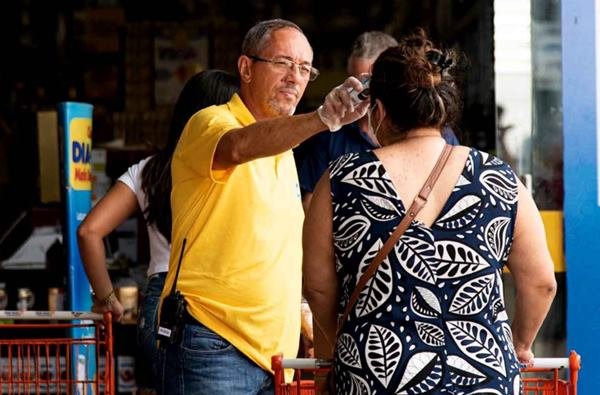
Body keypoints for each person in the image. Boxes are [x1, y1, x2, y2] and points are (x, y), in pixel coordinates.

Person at [302, 29, 556, 394]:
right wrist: (519, 345)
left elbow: (317, 287)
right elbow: (541, 283)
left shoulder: (342, 178)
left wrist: (332, 351)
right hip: (484, 377)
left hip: (374, 376)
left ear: (381, 110)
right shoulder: (499, 177)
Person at [157, 19, 368, 395]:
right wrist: (322, 119)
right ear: (246, 68)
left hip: (275, 355)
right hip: (213, 339)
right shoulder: (209, 122)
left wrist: (307, 327)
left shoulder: (285, 152)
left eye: (305, 69)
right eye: (283, 62)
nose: (295, 77)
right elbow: (237, 147)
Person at [77, 69, 240, 394]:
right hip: (214, 303)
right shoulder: (237, 171)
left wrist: (107, 299)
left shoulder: (148, 170)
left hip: (159, 306)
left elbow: (89, 232)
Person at [297, 31, 458, 211]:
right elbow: (309, 203)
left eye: (369, 84)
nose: (362, 94)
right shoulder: (329, 135)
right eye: (355, 83)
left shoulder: (437, 135)